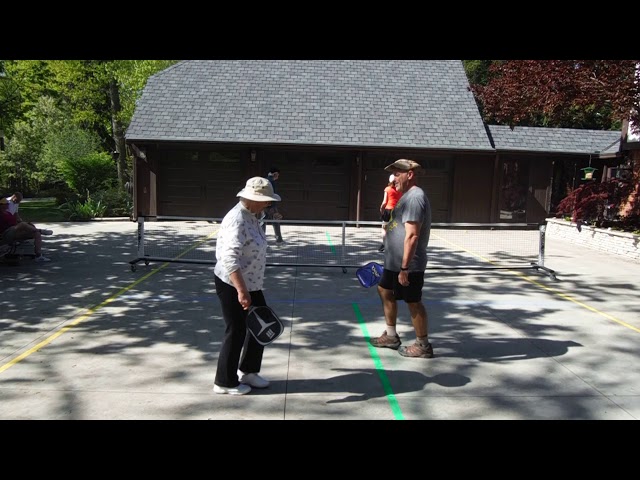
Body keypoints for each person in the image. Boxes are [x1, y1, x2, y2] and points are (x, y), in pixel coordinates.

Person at [212, 176, 282, 395]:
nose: (268, 204)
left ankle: (249, 371)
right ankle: (224, 382)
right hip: (233, 282)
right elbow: (229, 258)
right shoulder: (237, 219)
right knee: (237, 330)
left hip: (252, 282)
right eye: (265, 201)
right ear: (250, 198)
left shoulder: (253, 214)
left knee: (261, 324)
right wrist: (241, 291)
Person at [370, 159, 433, 358]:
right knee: (384, 289)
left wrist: (405, 267)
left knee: (413, 301)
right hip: (394, 262)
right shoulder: (406, 196)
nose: (394, 178)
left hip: (408, 265)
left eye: (398, 174)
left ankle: (423, 345)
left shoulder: (415, 197)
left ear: (410, 174)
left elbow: (413, 235)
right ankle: (391, 336)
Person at [0, 197, 51, 262]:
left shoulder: (8, 213)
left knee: (36, 233)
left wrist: (27, 224)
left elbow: (15, 222)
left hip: (14, 232)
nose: (7, 205)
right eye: (5, 204)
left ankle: (38, 256)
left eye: (7, 203)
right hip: (5, 234)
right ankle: (40, 230)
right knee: (23, 224)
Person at [378, 174, 402, 252]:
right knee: (395, 228)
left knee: (384, 228)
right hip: (397, 210)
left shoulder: (387, 189)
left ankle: (384, 244)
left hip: (388, 210)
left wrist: (381, 209)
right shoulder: (399, 189)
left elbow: (384, 202)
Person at [262, 167, 284, 243]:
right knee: (276, 221)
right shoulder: (271, 181)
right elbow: (272, 194)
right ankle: (279, 239)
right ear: (275, 174)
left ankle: (261, 237)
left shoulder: (265, 180)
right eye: (278, 174)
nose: (278, 176)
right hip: (271, 204)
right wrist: (273, 205)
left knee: (263, 221)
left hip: (264, 204)